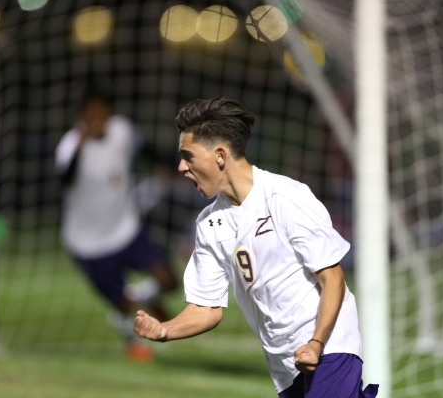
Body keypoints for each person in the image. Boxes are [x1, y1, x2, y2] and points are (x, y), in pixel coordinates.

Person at [134, 98, 379, 397]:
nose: (181, 167)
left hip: (331, 347)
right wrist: (164, 330)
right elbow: (206, 308)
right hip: (286, 365)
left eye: (188, 156)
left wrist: (317, 342)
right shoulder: (210, 224)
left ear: (220, 156)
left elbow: (333, 278)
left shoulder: (285, 197)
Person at [55, 91, 178, 361]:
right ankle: (132, 343)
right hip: (88, 244)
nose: (98, 119)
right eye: (91, 114)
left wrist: (176, 163)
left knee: (169, 280)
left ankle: (143, 295)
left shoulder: (122, 130)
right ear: (81, 117)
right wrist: (81, 146)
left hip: (126, 229)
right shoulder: (70, 145)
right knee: (123, 305)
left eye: (102, 112)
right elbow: (64, 180)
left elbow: (144, 150)